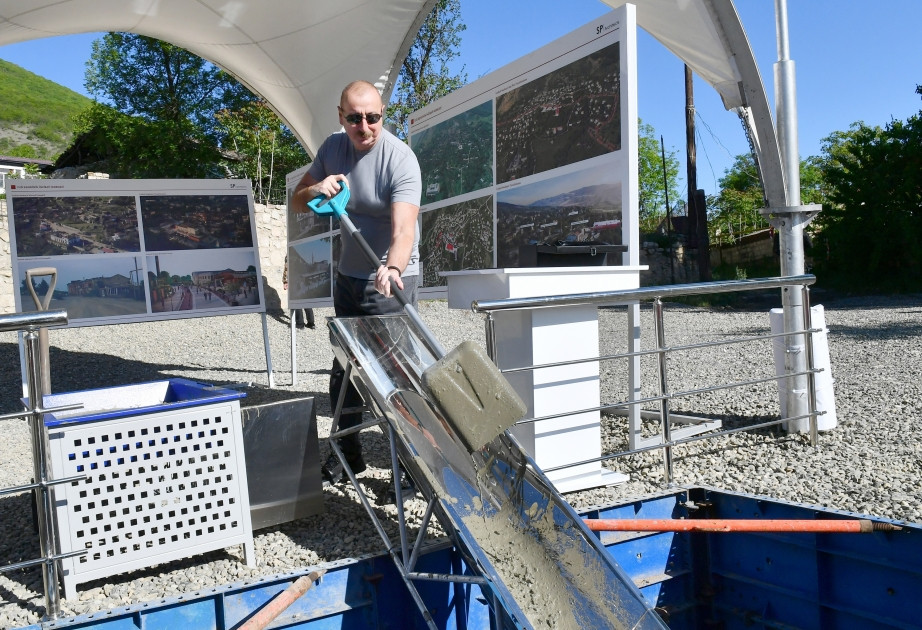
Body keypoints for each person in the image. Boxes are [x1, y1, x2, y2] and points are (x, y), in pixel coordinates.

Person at [291, 80, 422, 493]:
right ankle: (348, 453)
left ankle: (414, 467)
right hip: (348, 277)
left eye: (373, 117)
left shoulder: (400, 160)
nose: (364, 126)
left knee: (396, 376)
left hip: (389, 282)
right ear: (341, 115)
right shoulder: (333, 147)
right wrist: (316, 187)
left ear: (383, 113)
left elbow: (404, 230)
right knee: (344, 369)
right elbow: (299, 197)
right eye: (354, 118)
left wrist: (394, 267)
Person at [282, 255, 315, 329]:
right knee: (306, 302)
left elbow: (286, 272)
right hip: (303, 283)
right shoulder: (300, 259)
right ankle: (311, 323)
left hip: (294, 283)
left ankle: (300, 324)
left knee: (297, 303)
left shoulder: (289, 257)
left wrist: (285, 282)